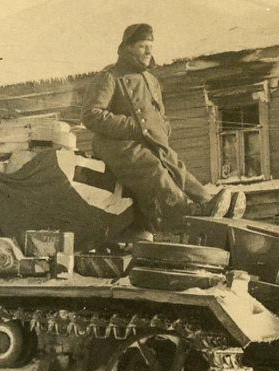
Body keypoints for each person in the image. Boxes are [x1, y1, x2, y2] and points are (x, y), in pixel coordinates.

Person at [80, 23, 244, 240]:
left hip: (150, 140)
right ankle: (187, 213)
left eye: (150, 46)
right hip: (117, 145)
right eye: (142, 46)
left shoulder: (151, 80)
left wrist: (163, 128)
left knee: (175, 166)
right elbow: (91, 114)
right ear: (127, 48)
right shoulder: (111, 76)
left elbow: (159, 114)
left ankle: (208, 202)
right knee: (155, 169)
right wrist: (134, 126)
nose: (149, 51)